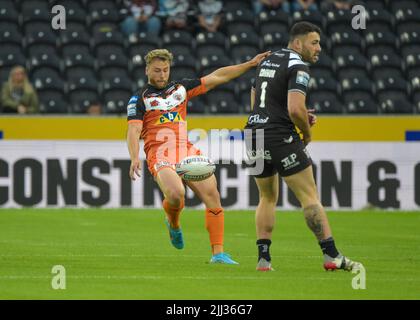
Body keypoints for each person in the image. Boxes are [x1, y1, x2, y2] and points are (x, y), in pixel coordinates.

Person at [126, 48, 269, 264]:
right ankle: (173, 223)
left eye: (165, 70)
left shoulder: (180, 89)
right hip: (159, 152)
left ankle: (218, 254)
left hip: (185, 149)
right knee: (176, 194)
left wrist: (250, 64)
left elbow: (217, 77)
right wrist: (134, 156)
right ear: (147, 70)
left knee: (212, 195)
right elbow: (134, 130)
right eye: (157, 70)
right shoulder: (139, 99)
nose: (162, 74)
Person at [244, 21, 362, 271]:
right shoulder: (298, 65)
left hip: (254, 133)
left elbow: (256, 99)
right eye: (314, 42)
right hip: (280, 136)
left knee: (266, 197)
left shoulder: (267, 60)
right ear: (298, 43)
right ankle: (331, 256)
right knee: (310, 197)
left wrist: (287, 115)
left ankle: (263, 260)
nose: (319, 48)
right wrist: (305, 133)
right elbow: (295, 109)